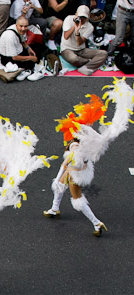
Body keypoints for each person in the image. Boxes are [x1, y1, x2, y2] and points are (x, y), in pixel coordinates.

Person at [43, 81, 134, 235]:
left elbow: (75, 165)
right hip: (75, 169)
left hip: (76, 174)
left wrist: (66, 172)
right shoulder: (84, 139)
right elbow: (69, 162)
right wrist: (61, 175)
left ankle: (96, 223)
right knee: (59, 187)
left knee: (77, 200)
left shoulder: (77, 147)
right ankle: (54, 209)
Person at [60, 5, 106, 75]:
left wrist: (77, 32)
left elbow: (79, 43)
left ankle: (85, 67)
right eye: (80, 16)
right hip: (67, 49)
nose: (81, 19)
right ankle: (89, 62)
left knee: (103, 53)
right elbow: (66, 36)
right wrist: (75, 26)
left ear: (87, 17)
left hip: (81, 50)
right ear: (76, 14)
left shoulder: (90, 27)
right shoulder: (69, 19)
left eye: (84, 17)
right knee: (74, 59)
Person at [0, 16, 45, 80]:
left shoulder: (18, 30)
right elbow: (14, 57)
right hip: (9, 58)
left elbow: (22, 41)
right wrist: (31, 58)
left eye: (25, 26)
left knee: (39, 46)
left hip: (18, 49)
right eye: (21, 26)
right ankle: (34, 70)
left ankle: (30, 67)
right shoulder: (10, 36)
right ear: (16, 25)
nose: (23, 28)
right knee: (33, 59)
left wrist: (29, 49)